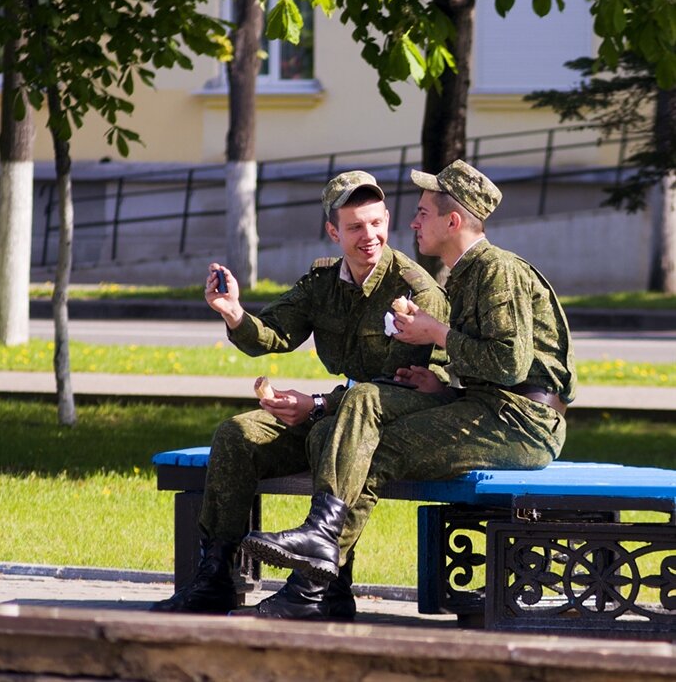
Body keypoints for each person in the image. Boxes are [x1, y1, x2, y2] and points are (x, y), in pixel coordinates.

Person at [241, 160, 577, 614]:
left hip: (523, 423)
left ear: (452, 221)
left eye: (423, 212)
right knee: (329, 435)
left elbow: (508, 363)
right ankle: (326, 585)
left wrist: (435, 332)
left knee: (371, 442)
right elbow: (489, 364)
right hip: (488, 407)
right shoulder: (466, 273)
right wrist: (442, 388)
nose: (413, 222)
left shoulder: (496, 269)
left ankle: (313, 581)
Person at [151, 170, 450, 618]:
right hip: (336, 411)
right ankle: (214, 576)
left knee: (329, 433)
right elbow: (272, 333)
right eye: (354, 227)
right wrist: (233, 312)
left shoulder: (413, 288)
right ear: (333, 231)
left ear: (387, 219)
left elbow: (399, 386)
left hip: (390, 423)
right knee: (238, 434)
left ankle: (319, 590)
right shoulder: (322, 282)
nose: (369, 236)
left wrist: (316, 405)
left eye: (375, 223)